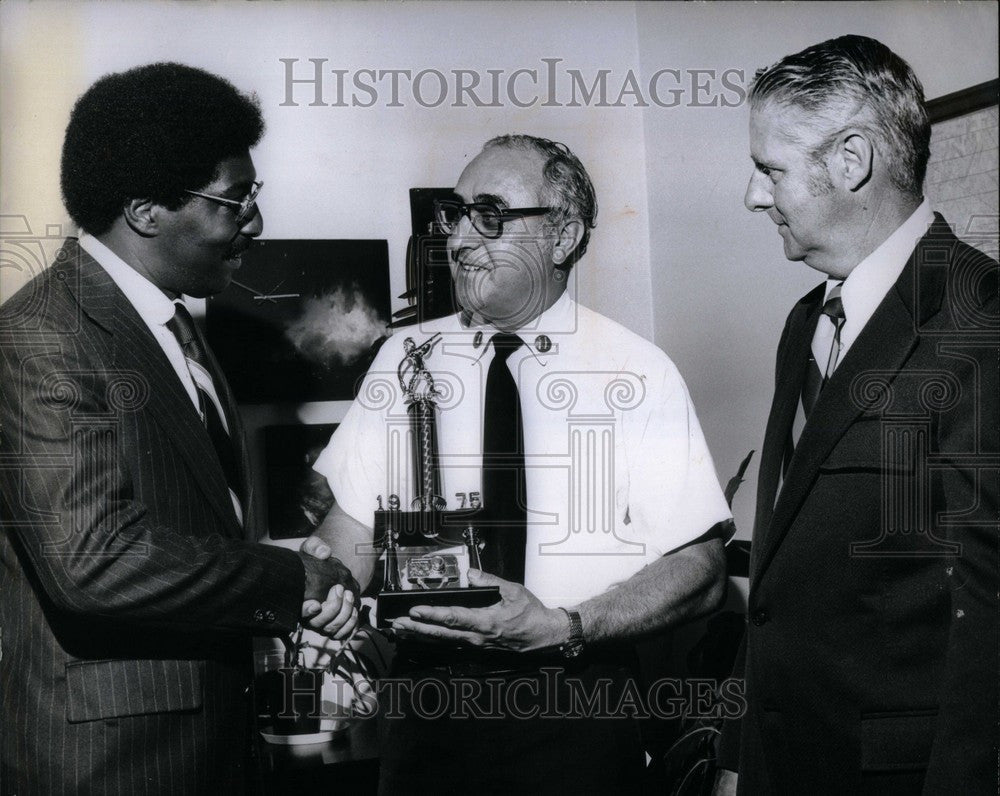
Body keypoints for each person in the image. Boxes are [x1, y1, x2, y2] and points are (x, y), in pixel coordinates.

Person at [304, 134, 733, 794]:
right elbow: (353, 523)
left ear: (562, 235)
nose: (461, 237)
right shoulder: (404, 360)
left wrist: (564, 628)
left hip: (573, 705)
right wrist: (325, 577)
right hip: (428, 713)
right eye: (456, 214)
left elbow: (699, 571)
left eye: (491, 214)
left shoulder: (637, 373)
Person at [0, 63, 358, 794]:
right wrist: (291, 581)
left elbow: (192, 532)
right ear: (144, 210)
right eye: (235, 201)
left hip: (208, 748)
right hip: (113, 767)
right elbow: (93, 560)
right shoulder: (42, 335)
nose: (253, 222)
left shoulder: (175, 329)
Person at [715, 35, 998, 795]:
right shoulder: (806, 321)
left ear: (850, 161)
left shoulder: (981, 321)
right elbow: (776, 578)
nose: (752, 195)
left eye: (769, 170)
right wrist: (740, 759)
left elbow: (989, 610)